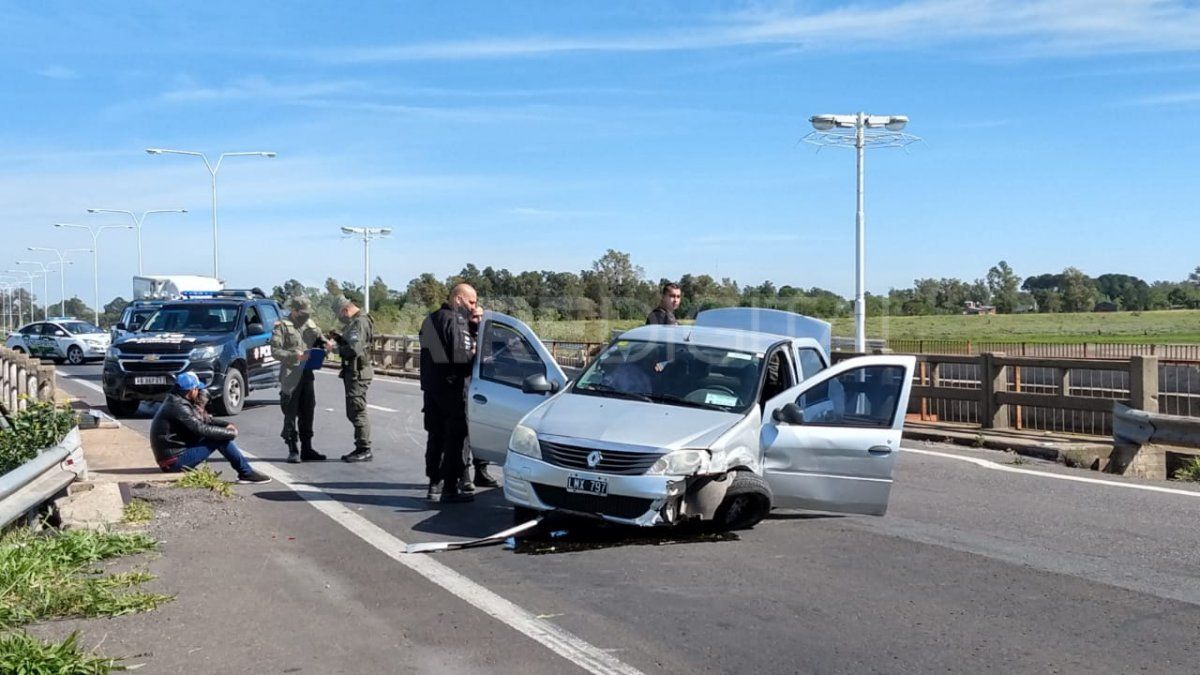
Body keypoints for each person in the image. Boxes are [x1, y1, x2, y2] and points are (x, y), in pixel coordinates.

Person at [150, 372, 271, 484]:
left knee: (218, 435)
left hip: (172, 457)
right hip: (173, 462)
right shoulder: (178, 406)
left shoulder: (177, 399)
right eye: (197, 389)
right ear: (191, 391)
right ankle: (246, 472)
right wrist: (229, 433)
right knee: (218, 438)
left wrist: (225, 425)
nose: (198, 392)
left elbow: (203, 420)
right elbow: (201, 428)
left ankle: (246, 471)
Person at [419, 283, 480, 503]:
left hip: (432, 389)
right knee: (456, 438)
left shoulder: (429, 320)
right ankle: (451, 487)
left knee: (435, 436)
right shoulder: (456, 320)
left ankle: (434, 484)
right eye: (471, 302)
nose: (474, 307)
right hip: (453, 391)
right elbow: (461, 359)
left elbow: (436, 356)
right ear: (458, 299)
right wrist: (475, 348)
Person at [271, 295, 331, 463]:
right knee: (290, 412)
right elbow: (275, 351)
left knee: (308, 411)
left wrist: (326, 346)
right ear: (294, 311)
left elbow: (322, 340)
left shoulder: (310, 325)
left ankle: (307, 447)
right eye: (303, 312)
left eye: (308, 313)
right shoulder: (281, 326)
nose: (306, 316)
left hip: (307, 374)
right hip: (290, 376)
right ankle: (293, 448)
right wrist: (294, 356)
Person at [330, 296, 375, 462]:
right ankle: (360, 446)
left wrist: (334, 348)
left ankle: (364, 448)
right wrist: (339, 338)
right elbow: (351, 343)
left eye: (340, 315)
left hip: (358, 373)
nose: (340, 319)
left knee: (357, 410)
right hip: (353, 372)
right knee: (353, 410)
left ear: (345, 309)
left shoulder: (359, 323)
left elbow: (353, 350)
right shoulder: (355, 322)